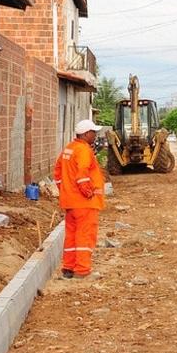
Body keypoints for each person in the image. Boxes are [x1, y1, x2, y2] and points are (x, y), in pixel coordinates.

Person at [53, 119, 106, 279]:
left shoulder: (69, 149)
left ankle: (68, 268)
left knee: (71, 235)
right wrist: (87, 192)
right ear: (85, 134)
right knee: (85, 235)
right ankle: (82, 270)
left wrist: (66, 191)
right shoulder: (83, 150)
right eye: (93, 132)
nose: (95, 136)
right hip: (84, 203)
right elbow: (82, 174)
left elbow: (57, 173)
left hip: (70, 201)